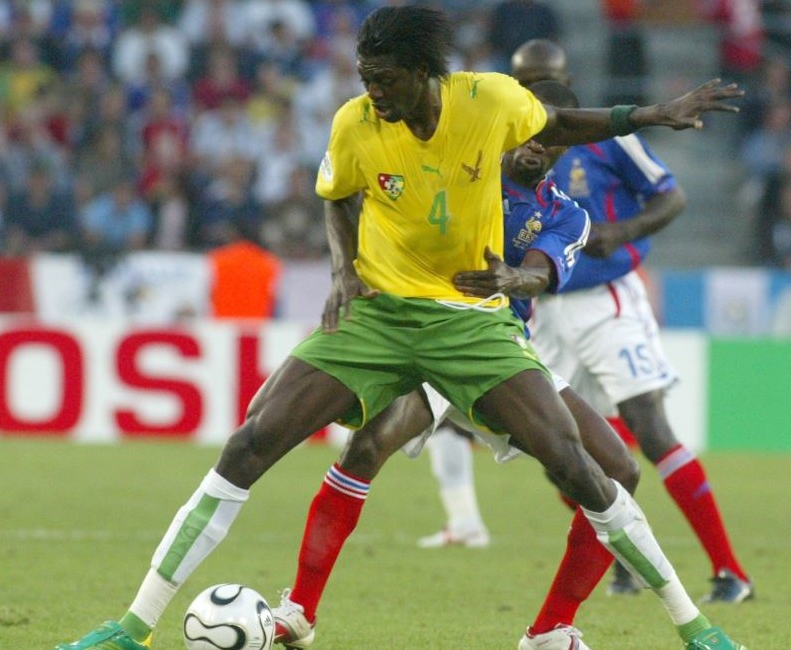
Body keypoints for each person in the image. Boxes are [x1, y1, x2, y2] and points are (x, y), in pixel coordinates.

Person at [55, 7, 746, 650]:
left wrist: (652, 114)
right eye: (366, 77)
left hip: (471, 326)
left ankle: (690, 628)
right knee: (252, 442)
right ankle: (133, 627)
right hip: (380, 315)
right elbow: (336, 197)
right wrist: (342, 274)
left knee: (586, 469)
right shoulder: (356, 123)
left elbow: (559, 125)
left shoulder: (496, 109)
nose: (373, 91)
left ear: (423, 72)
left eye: (384, 79)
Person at [269, 79, 685, 650]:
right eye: (529, 134)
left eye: (550, 140)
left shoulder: (565, 214)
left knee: (620, 470)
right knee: (367, 447)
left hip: (497, 352)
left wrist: (517, 278)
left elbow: (541, 272)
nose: (536, 145)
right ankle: (299, 610)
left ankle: (551, 628)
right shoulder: (467, 168)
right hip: (428, 333)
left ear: (565, 147)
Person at [510, 38, 753, 601]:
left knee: (649, 424)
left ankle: (730, 572)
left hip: (606, 301)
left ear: (568, 82)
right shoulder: (502, 144)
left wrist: (621, 232)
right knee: (555, 450)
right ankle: (621, 554)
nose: (536, 93)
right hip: (542, 309)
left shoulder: (608, 137)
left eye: (547, 81)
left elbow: (671, 197)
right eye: (525, 84)